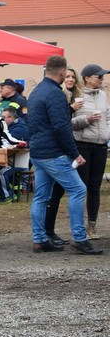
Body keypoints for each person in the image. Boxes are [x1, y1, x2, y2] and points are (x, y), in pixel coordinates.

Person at [27, 56, 101, 255]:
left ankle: (39, 239)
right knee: (78, 189)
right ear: (61, 72)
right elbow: (61, 127)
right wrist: (74, 153)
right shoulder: (56, 94)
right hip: (54, 153)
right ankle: (79, 238)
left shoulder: (36, 91)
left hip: (38, 152)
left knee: (41, 196)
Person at [44, 66, 84, 244]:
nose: (70, 79)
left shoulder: (78, 96)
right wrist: (71, 109)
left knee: (59, 192)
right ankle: (49, 231)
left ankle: (48, 231)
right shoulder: (57, 95)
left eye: (73, 77)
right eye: (67, 76)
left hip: (74, 146)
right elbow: (59, 123)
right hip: (60, 150)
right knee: (58, 192)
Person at [71, 63, 110, 238]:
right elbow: (69, 122)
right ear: (87, 78)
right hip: (83, 145)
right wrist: (86, 119)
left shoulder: (102, 95)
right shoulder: (76, 95)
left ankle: (92, 226)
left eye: (103, 76)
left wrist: (107, 133)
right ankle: (78, 228)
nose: (102, 79)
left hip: (100, 145)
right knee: (81, 187)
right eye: (99, 76)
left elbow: (107, 117)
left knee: (95, 187)